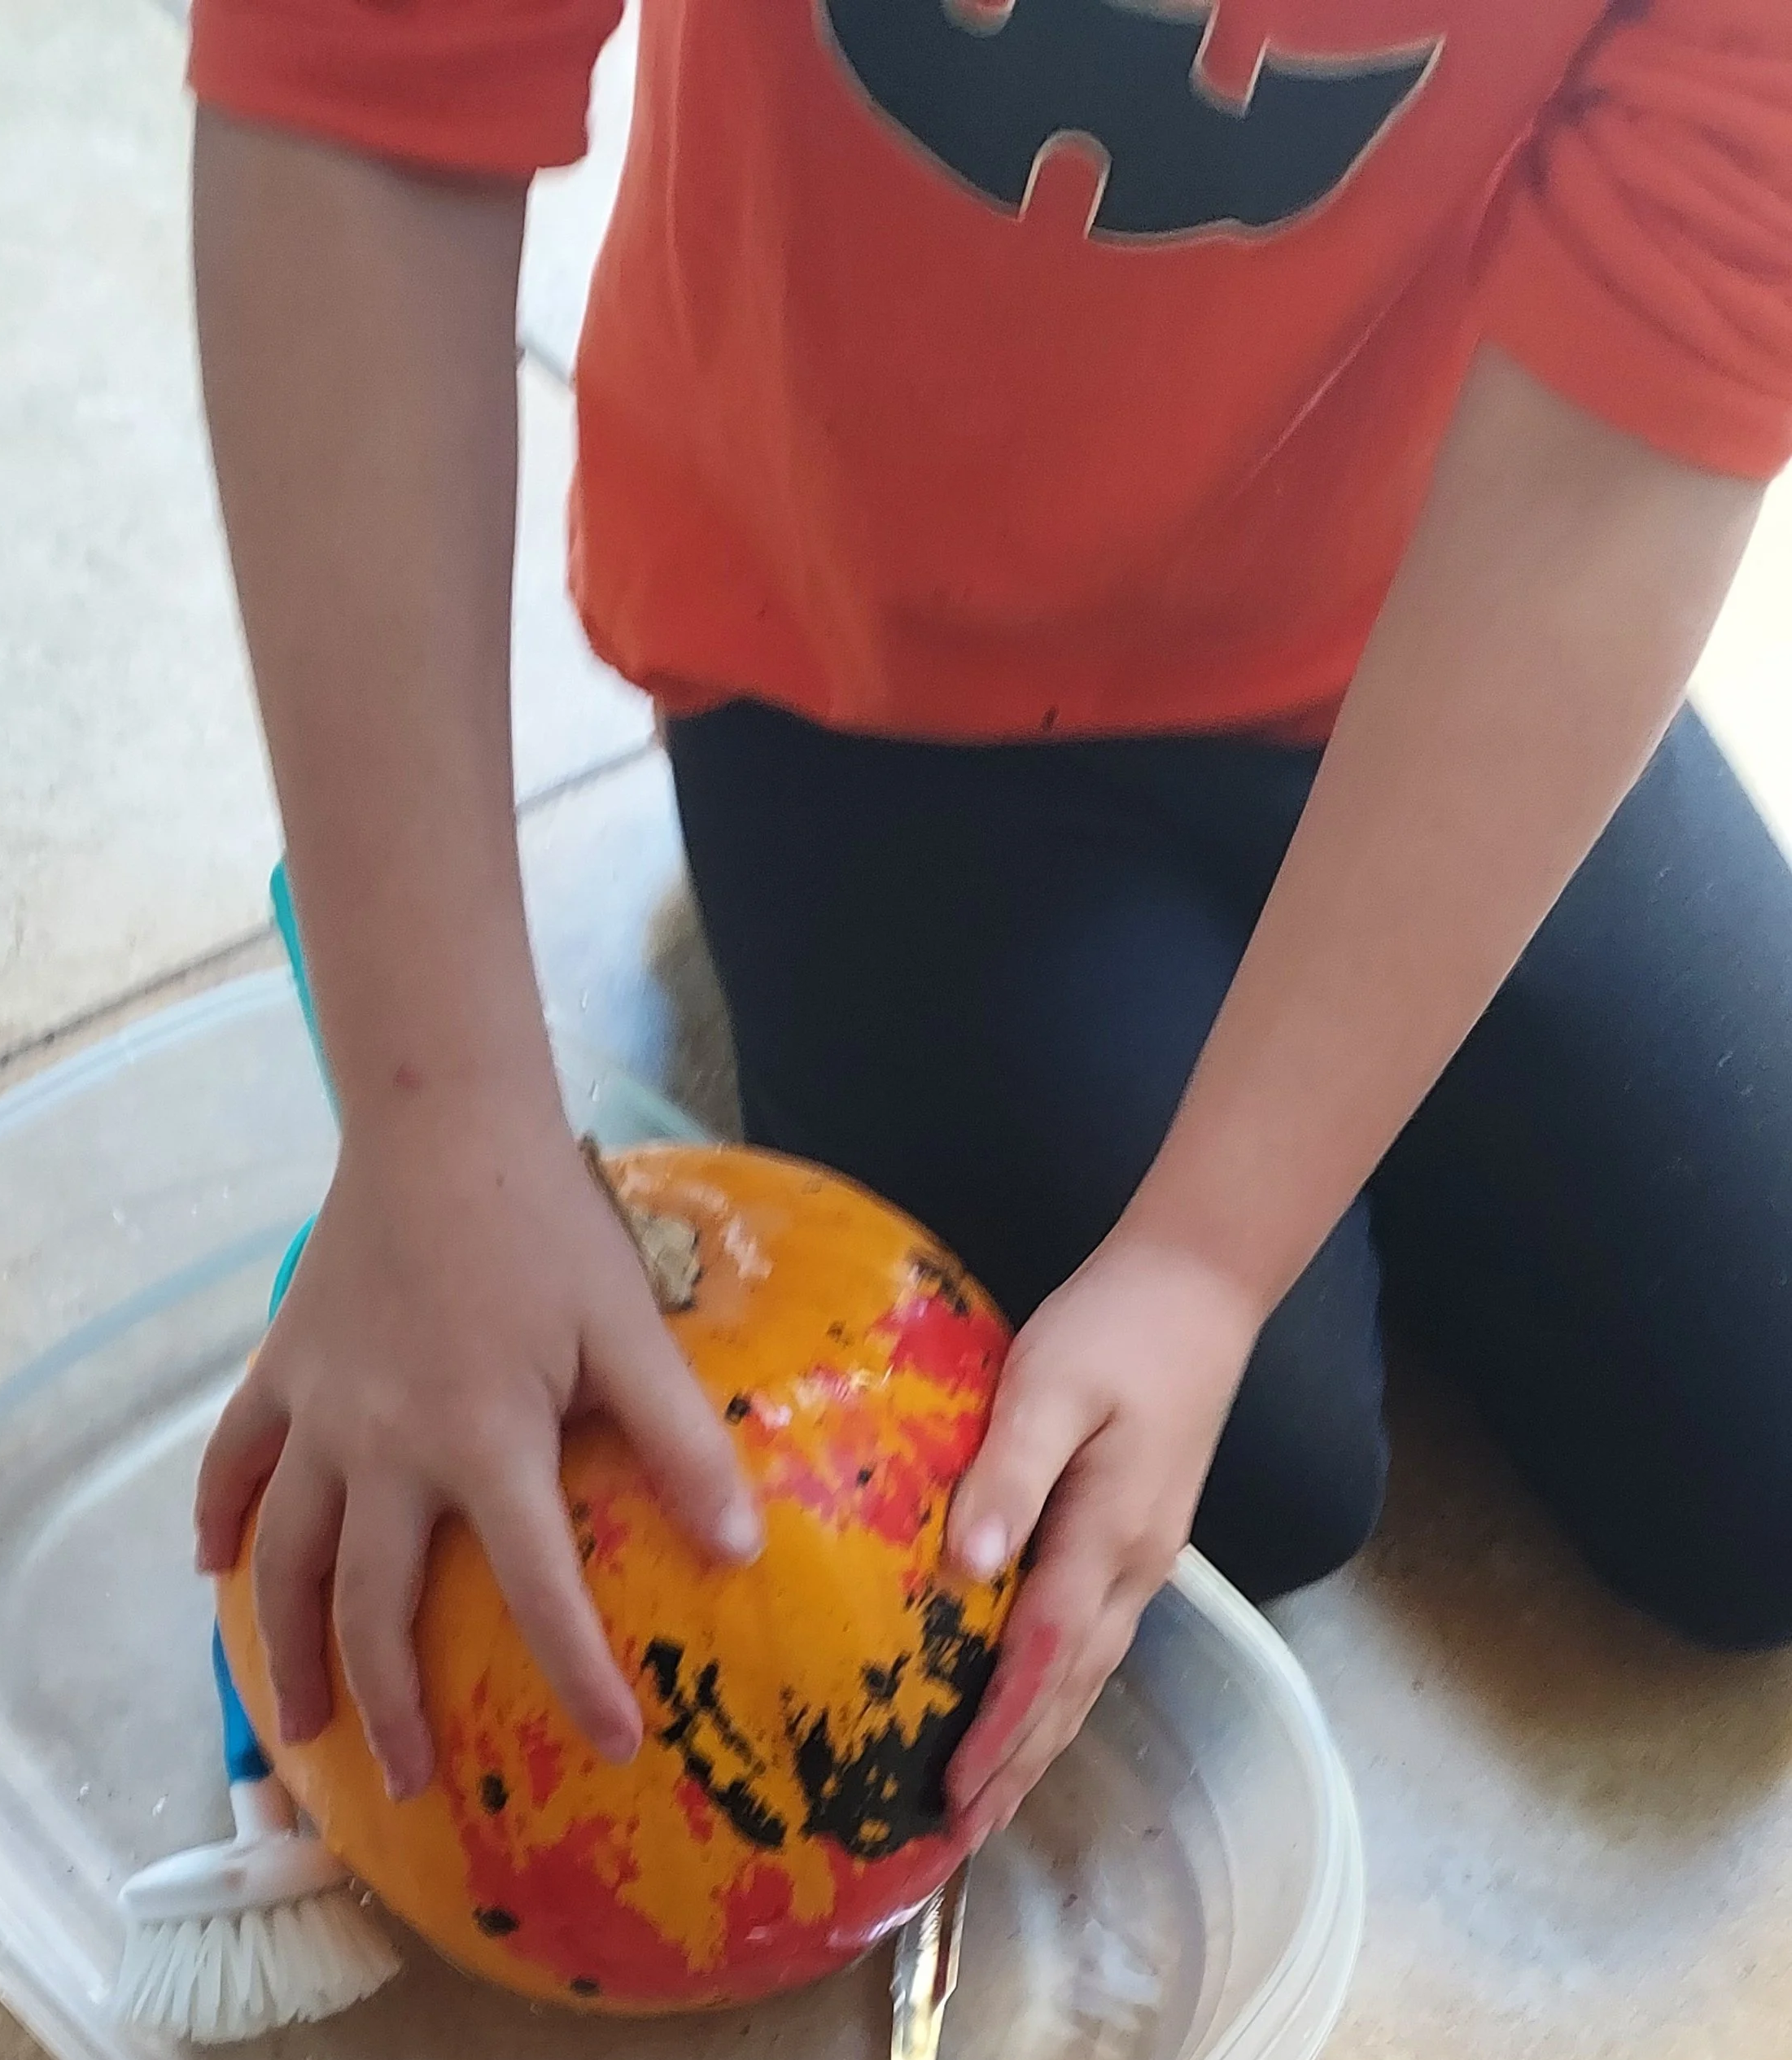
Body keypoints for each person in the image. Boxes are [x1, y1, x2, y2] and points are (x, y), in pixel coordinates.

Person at [184, 0, 1792, 1855]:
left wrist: (1210, 1248)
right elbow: (359, 96)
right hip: (865, 678)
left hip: (1443, 608)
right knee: (1206, 1495)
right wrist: (437, 1111)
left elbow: (1669, 361)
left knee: (1754, 1485)